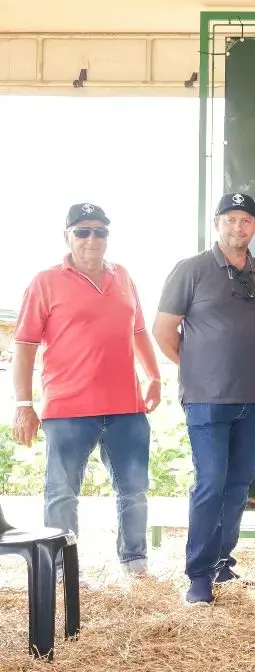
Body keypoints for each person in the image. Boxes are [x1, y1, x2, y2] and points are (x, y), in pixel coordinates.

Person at [11, 203, 160, 578]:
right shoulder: (45, 281)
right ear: (67, 237)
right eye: (82, 231)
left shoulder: (123, 276)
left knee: (135, 491)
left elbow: (139, 331)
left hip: (127, 407)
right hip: (67, 409)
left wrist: (155, 377)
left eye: (100, 231)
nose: (92, 238)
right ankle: (62, 571)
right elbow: (24, 345)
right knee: (61, 493)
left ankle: (135, 564)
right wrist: (24, 404)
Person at [153, 192, 255, 606]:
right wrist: (196, 368)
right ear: (217, 223)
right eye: (230, 219)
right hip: (206, 400)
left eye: (245, 220)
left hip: (254, 399)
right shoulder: (191, 269)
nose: (237, 227)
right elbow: (163, 332)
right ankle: (198, 574)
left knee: (238, 485)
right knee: (210, 483)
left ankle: (223, 561)